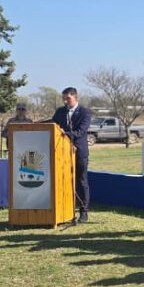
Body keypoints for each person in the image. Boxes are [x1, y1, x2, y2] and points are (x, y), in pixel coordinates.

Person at [49, 87, 93, 222]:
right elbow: (53, 124)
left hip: (79, 151)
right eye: (64, 98)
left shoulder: (85, 112)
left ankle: (83, 212)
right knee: (63, 180)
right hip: (61, 152)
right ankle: (65, 211)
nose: (65, 101)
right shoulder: (61, 112)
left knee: (81, 181)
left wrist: (65, 133)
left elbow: (81, 132)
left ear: (75, 97)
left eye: (68, 98)